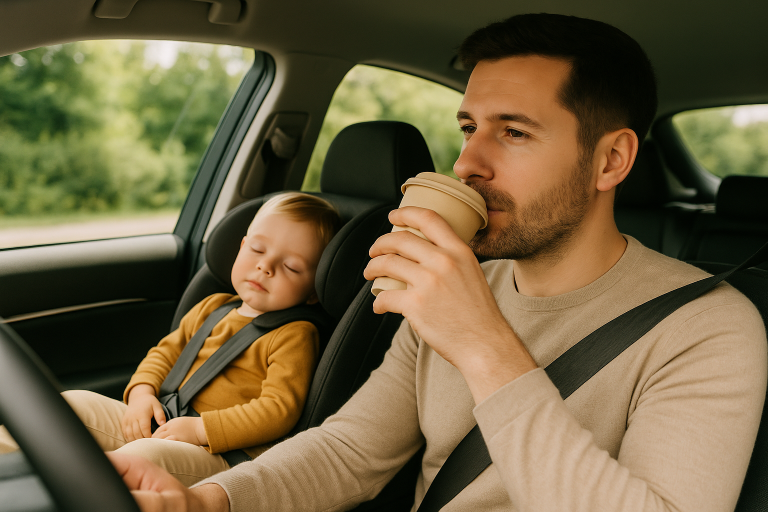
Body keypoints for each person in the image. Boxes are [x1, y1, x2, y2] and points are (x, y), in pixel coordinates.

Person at [110, 13, 767, 511]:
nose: (467, 164)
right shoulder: (458, 286)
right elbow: (352, 451)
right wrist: (208, 501)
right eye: (468, 128)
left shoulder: (711, 330)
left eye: (513, 132)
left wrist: (482, 344)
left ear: (611, 161)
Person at [0, 192, 342, 486]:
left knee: (137, 457)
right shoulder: (213, 307)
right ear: (241, 247)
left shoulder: (295, 334)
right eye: (256, 249)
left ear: (315, 291)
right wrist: (141, 393)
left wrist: (201, 430)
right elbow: (163, 354)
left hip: (219, 455)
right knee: (67, 406)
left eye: (292, 267)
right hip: (163, 420)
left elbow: (278, 410)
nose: (265, 267)